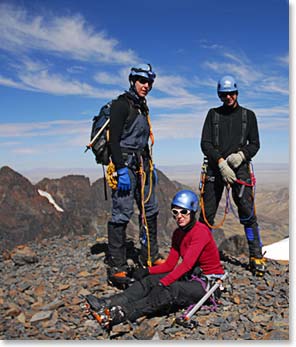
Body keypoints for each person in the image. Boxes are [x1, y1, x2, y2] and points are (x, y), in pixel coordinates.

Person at [84, 190, 225, 330]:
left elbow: (186, 265)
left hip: (209, 284)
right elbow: (170, 265)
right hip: (191, 278)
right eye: (175, 212)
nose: (179, 216)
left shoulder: (200, 232)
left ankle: (122, 313)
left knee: (170, 289)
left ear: (193, 211)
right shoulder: (178, 234)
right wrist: (146, 271)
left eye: (184, 212)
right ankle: (107, 303)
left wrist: (164, 283)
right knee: (150, 281)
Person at [199, 75, 266, 276]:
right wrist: (220, 162)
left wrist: (241, 155)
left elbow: (255, 143)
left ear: (237, 93)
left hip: (240, 168)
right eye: (224, 94)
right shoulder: (213, 115)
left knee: (247, 213)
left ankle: (256, 256)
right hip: (215, 169)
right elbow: (206, 143)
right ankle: (200, 259)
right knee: (206, 216)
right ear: (220, 95)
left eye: (231, 93)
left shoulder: (249, 116)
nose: (228, 97)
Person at [106, 63, 163, 289]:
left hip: (143, 164)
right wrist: (120, 169)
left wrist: (150, 164)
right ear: (133, 81)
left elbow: (142, 138)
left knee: (150, 209)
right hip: (126, 165)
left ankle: (150, 256)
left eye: (149, 82)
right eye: (142, 81)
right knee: (121, 213)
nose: (146, 86)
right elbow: (113, 140)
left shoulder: (142, 107)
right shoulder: (122, 105)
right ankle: (117, 266)